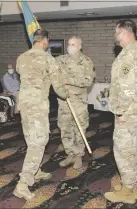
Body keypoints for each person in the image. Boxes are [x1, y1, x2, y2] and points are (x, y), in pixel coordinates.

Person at [13, 29, 69, 201]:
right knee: (38, 142)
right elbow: (58, 87)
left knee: (31, 139)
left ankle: (36, 171)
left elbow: (21, 73)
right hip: (37, 106)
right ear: (46, 41)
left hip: (24, 105)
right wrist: (66, 93)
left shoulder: (21, 57)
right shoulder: (48, 59)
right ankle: (23, 184)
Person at [105, 20, 137, 204]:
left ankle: (127, 191)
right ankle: (131, 187)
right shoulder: (132, 53)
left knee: (124, 150)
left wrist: (123, 113)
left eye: (116, 32)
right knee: (132, 150)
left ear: (125, 32)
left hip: (129, 113)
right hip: (131, 112)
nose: (115, 36)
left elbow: (135, 89)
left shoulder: (134, 55)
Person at [56, 36, 95, 169]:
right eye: (69, 44)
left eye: (73, 44)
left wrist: (68, 80)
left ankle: (78, 155)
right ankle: (70, 154)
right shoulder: (61, 60)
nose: (70, 46)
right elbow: (51, 69)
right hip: (64, 101)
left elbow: (88, 81)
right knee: (65, 128)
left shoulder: (86, 62)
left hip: (79, 102)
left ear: (79, 47)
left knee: (79, 129)